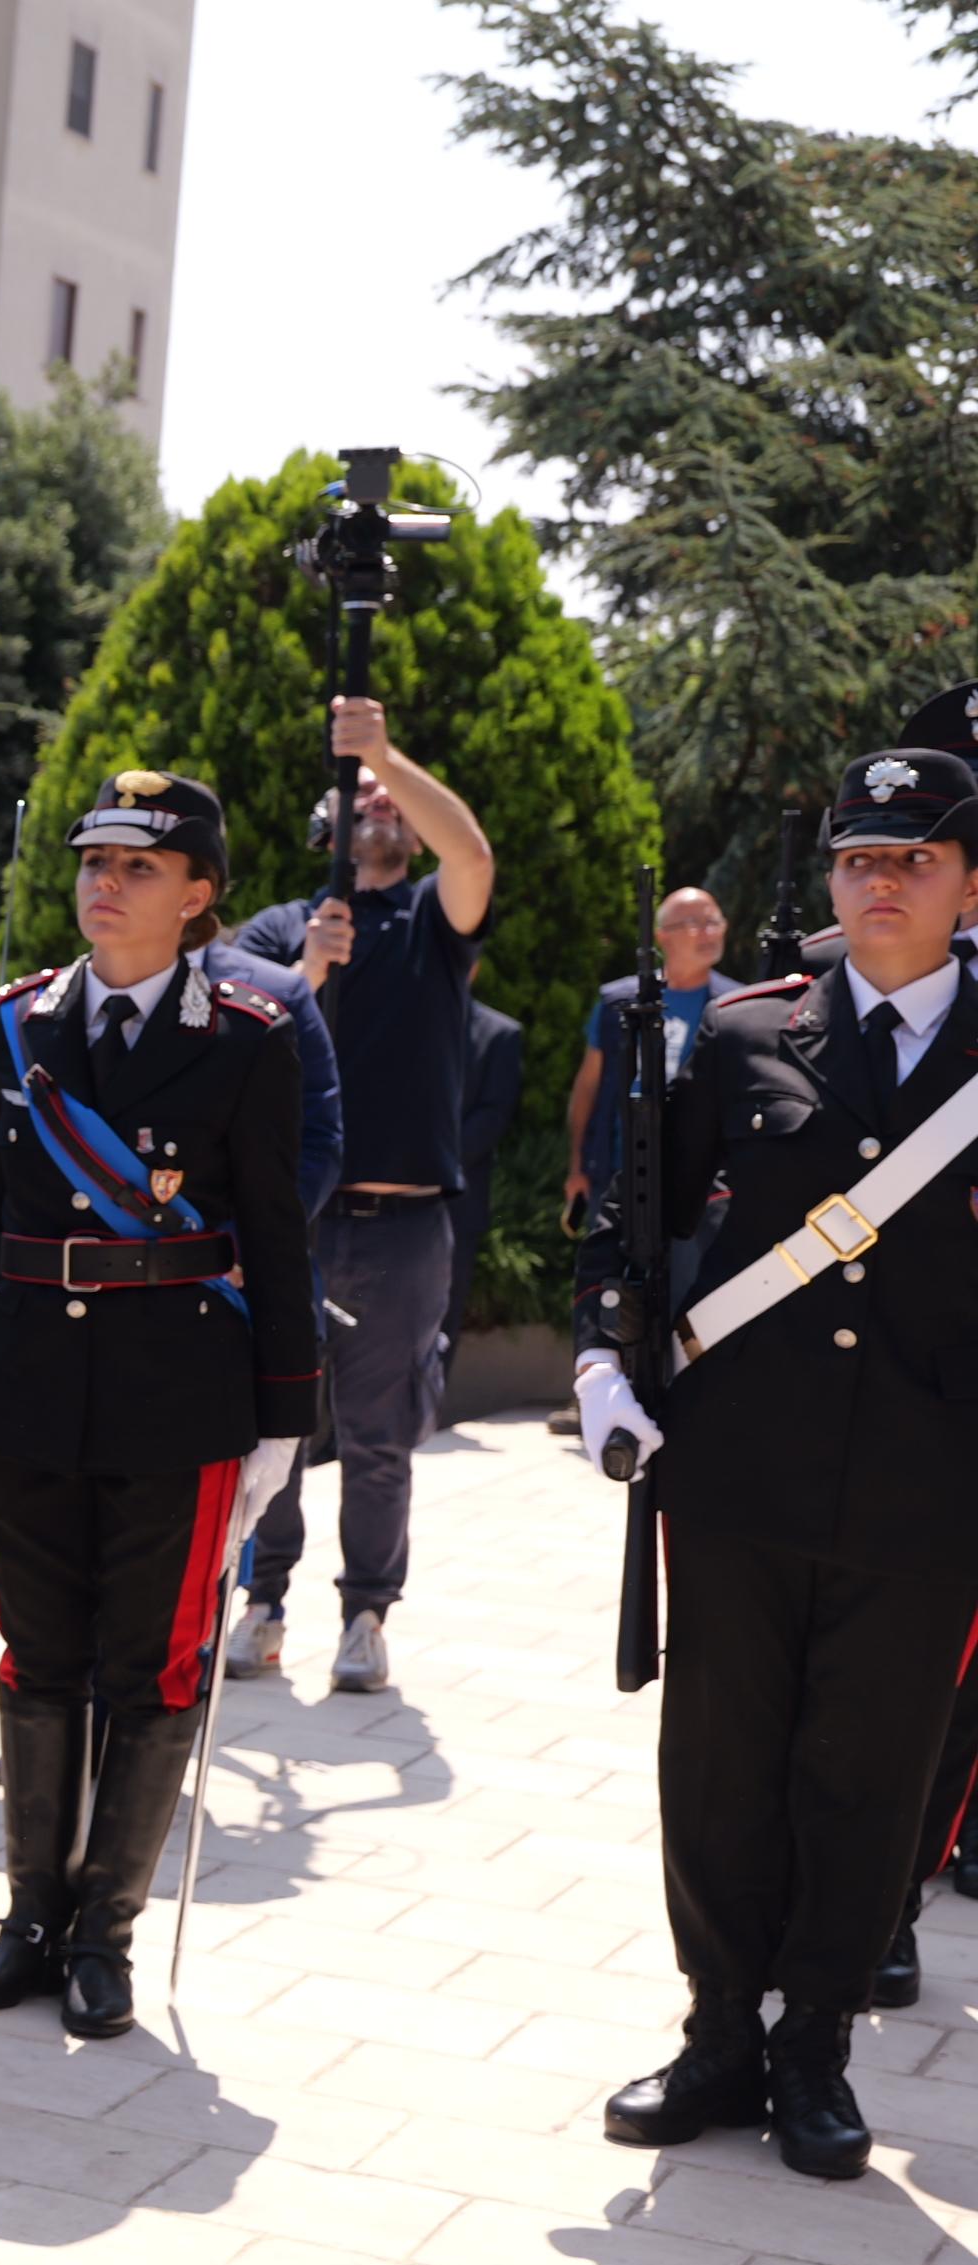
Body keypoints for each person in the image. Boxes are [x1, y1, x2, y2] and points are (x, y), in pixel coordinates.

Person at [578, 748, 978, 2182]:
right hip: (740, 1468)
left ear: (970, 882)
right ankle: (715, 2036)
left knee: (866, 1776)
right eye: (859, 858)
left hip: (931, 1491)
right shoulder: (750, 1034)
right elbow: (638, 1219)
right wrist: (597, 1362)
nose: (881, 882)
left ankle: (813, 2046)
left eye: (915, 857)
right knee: (722, 1761)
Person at [0, 774, 317, 2038]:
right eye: (96, 859)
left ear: (200, 895)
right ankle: (29, 1920)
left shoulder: (250, 1035)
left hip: (177, 1390)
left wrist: (281, 1418)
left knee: (150, 1664)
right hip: (35, 1381)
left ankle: (106, 1935)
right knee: (37, 1652)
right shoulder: (25, 1018)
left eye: (141, 867)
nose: (105, 882)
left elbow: (277, 1231)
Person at [222, 702, 497, 1693]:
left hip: (404, 1221)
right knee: (272, 1427)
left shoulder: (430, 918)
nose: (379, 800)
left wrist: (382, 752)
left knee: (380, 1435)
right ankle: (263, 1602)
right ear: (325, 826)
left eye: (393, 797)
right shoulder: (277, 930)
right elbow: (238, 1043)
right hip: (291, 1219)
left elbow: (470, 853)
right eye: (362, 794)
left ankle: (368, 1612)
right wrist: (308, 970)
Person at [566, 889, 731, 1220]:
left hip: (700, 1185)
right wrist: (576, 1166)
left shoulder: (737, 1005)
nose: (708, 932)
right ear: (662, 936)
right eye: (693, 923)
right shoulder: (618, 1002)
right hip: (617, 1174)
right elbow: (588, 1087)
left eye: (713, 921)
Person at [439, 994, 527, 1391]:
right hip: (383, 1204)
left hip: (457, 1199)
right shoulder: (395, 1018)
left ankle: (423, 1416)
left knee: (444, 1312)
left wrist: (428, 1160)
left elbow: (493, 1115)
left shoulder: (501, 1033)